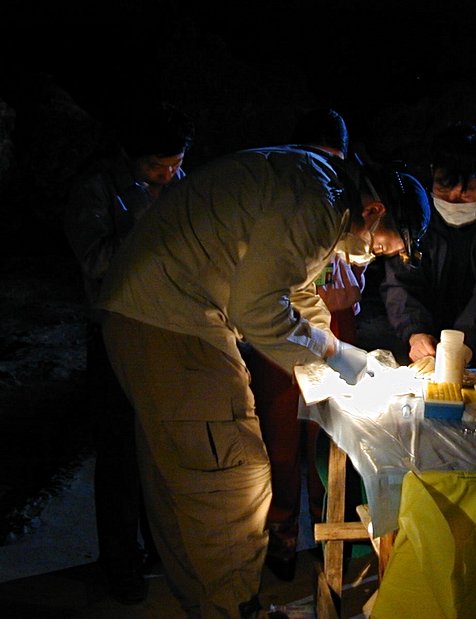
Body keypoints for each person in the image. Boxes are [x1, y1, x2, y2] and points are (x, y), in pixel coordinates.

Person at [94, 143, 430, 618]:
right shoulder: (318, 204)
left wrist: (333, 352)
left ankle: (206, 603)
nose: (369, 259)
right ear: (374, 211)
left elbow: (293, 289)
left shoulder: (317, 185)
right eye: (380, 248)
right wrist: (335, 358)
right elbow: (258, 311)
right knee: (233, 477)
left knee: (183, 475)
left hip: (149, 312)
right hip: (175, 322)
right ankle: (233, 606)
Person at [62, 100, 194, 605]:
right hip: (116, 330)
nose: (167, 175)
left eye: (175, 164)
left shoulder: (181, 185)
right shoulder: (98, 189)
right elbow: (95, 259)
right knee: (119, 449)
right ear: (130, 155)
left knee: (162, 444)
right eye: (156, 166)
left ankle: (161, 546)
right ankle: (120, 561)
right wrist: (152, 234)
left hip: (170, 330)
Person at [238, 108, 367, 581]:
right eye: (314, 157)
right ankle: (281, 539)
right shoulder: (281, 197)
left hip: (336, 323)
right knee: (279, 440)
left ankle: (332, 534)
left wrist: (353, 292)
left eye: (332, 159)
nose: (322, 169)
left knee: (329, 440)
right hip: (277, 331)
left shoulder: (350, 201)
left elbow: (360, 265)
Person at [381, 121, 476, 392]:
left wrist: (463, 345)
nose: (453, 200)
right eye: (444, 190)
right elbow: (400, 278)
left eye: (466, 193)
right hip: (429, 340)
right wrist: (414, 331)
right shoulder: (417, 207)